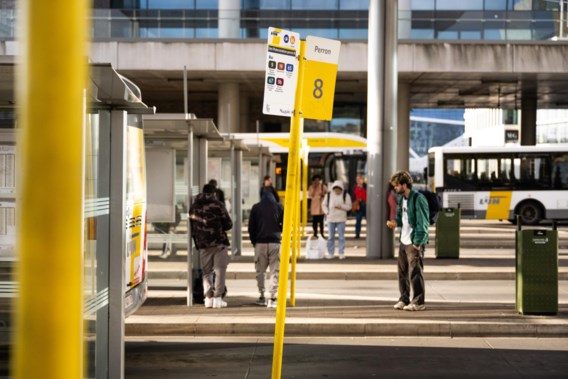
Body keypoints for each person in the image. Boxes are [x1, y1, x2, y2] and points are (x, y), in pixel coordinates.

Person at [386, 170, 429, 312]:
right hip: (404, 240)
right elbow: (400, 216)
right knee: (402, 272)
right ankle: (404, 299)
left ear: (404, 185)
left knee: (415, 272)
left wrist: (417, 243)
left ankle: (418, 301)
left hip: (414, 241)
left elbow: (423, 222)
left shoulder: (418, 198)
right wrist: (395, 222)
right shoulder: (402, 199)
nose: (395, 188)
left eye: (397, 186)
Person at [189, 183, 233, 309]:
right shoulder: (218, 205)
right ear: (214, 193)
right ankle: (218, 299)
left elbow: (193, 229)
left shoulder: (194, 207)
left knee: (206, 272)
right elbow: (229, 224)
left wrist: (198, 242)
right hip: (219, 243)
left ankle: (208, 298)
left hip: (203, 244)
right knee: (220, 271)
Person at [248, 189, 284, 308]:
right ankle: (273, 298)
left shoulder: (256, 207)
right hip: (275, 243)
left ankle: (262, 296)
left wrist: (255, 242)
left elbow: (251, 227)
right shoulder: (279, 207)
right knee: (275, 271)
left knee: (260, 272)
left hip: (260, 243)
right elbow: (284, 225)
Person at [322, 180, 351, 260]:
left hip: (341, 219)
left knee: (341, 237)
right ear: (333, 188)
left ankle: (341, 253)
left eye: (338, 189)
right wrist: (327, 212)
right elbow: (324, 205)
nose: (337, 191)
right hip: (330, 218)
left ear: (341, 189)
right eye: (335, 189)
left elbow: (349, 207)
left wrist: (341, 206)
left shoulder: (346, 195)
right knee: (330, 237)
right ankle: (331, 253)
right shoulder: (328, 195)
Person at [308, 174, 327, 238]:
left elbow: (327, 193)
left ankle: (322, 233)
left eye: (318, 180)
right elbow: (310, 195)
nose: (317, 181)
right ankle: (315, 233)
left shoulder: (322, 186)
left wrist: (323, 194)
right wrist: (314, 188)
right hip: (314, 206)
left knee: (321, 222)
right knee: (314, 222)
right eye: (315, 180)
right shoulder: (311, 187)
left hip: (321, 206)